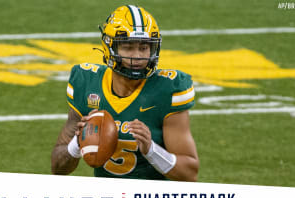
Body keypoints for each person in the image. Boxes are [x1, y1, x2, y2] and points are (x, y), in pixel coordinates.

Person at [51, 5, 199, 181]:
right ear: (110, 47)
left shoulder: (168, 90)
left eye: (144, 48)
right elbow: (57, 168)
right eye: (128, 47)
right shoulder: (87, 84)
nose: (137, 56)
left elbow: (190, 173)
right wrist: (77, 143)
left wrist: (151, 151)